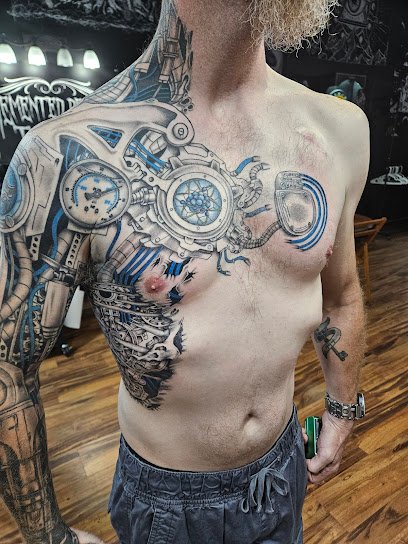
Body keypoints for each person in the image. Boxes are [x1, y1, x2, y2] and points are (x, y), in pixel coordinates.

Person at [0, 0, 369, 542]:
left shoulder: (339, 128)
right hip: (168, 504)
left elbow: (341, 296)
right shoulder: (62, 155)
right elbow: (8, 367)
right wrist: (47, 536)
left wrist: (342, 409)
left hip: (284, 468)